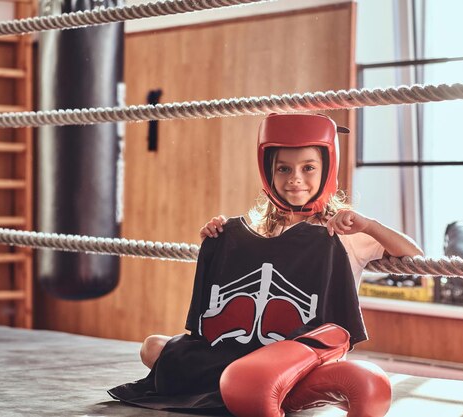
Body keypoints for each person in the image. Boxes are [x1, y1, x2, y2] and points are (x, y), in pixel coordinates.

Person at [108, 113, 422, 413]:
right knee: (153, 347)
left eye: (308, 168)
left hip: (301, 355)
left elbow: (415, 256)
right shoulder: (259, 227)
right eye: (283, 169)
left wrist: (368, 225)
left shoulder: (345, 231)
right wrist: (218, 235)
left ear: (327, 168)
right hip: (241, 350)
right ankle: (243, 386)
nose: (295, 179)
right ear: (268, 171)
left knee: (253, 377)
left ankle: (247, 385)